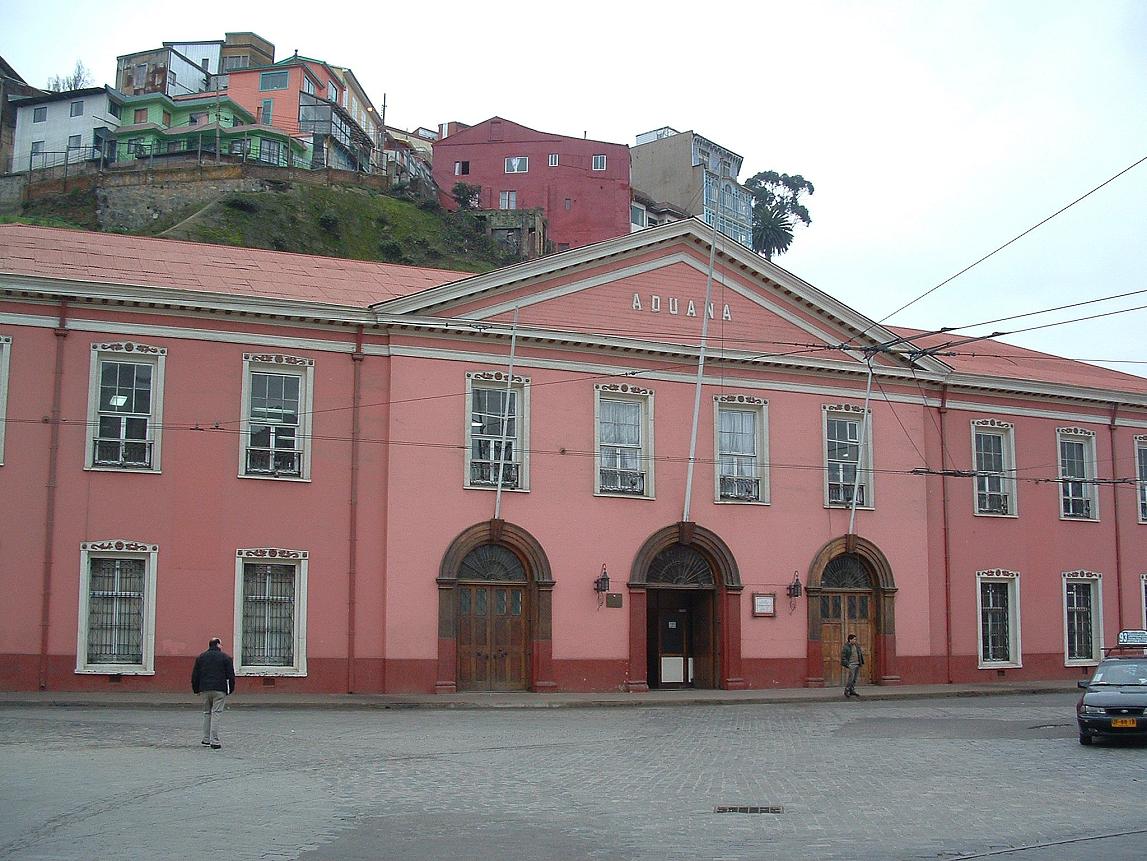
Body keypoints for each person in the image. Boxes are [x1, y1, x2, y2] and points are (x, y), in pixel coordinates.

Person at [191, 637, 236, 749]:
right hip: (220, 689)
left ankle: (206, 738)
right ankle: (214, 740)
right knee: (216, 713)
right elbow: (231, 676)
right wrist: (231, 689)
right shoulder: (225, 658)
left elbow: (195, 675)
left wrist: (196, 689)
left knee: (207, 713)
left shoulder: (201, 657)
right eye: (221, 644)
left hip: (205, 689)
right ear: (218, 645)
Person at [840, 633, 864, 698]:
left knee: (854, 679)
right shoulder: (846, 647)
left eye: (855, 639)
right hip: (851, 664)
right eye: (854, 639)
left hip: (857, 664)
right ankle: (846, 690)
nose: (855, 640)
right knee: (851, 678)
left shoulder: (857, 645)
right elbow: (843, 657)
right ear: (850, 640)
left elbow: (859, 653)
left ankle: (852, 690)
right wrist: (848, 664)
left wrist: (861, 661)